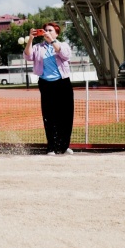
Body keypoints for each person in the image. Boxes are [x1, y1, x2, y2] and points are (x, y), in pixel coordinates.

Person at [24, 22, 74, 156]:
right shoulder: (38, 47)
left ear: (56, 33)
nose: (46, 32)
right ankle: (51, 147)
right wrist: (30, 38)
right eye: (45, 30)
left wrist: (52, 41)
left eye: (50, 30)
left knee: (66, 115)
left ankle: (64, 146)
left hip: (63, 83)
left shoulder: (62, 45)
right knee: (49, 116)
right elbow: (28, 56)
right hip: (46, 84)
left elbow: (65, 55)